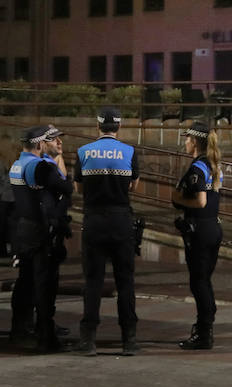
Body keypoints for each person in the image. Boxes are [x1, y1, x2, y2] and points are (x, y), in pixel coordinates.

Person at [72, 106, 140, 356]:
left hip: (94, 221)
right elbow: (133, 186)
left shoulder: (83, 152)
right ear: (119, 126)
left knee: (92, 282)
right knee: (125, 282)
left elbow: (78, 189)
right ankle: (129, 340)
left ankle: (88, 339)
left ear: (97, 126)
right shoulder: (129, 152)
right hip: (121, 220)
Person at [8, 124, 71, 352]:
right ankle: (46, 336)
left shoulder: (18, 163)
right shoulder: (40, 165)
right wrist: (59, 162)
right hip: (41, 230)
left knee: (25, 281)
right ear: (41, 144)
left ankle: (20, 328)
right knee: (44, 283)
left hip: (24, 228)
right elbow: (66, 186)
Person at [173, 120, 223, 350]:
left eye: (187, 138)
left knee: (198, 282)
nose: (184, 142)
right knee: (205, 280)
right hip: (213, 227)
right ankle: (207, 321)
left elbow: (201, 201)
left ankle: (204, 332)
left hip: (200, 230)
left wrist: (176, 199)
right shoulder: (213, 164)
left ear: (194, 141)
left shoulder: (197, 167)